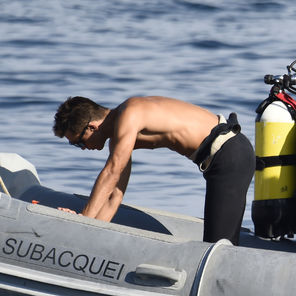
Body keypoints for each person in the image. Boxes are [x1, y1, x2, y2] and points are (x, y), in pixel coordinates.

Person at [53, 96, 255, 245]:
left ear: (92, 127)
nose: (83, 148)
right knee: (215, 240)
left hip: (230, 153)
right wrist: (90, 231)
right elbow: (114, 195)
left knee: (218, 245)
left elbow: (112, 171)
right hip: (222, 158)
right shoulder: (118, 138)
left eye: (79, 143)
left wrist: (82, 221)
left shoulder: (129, 113)